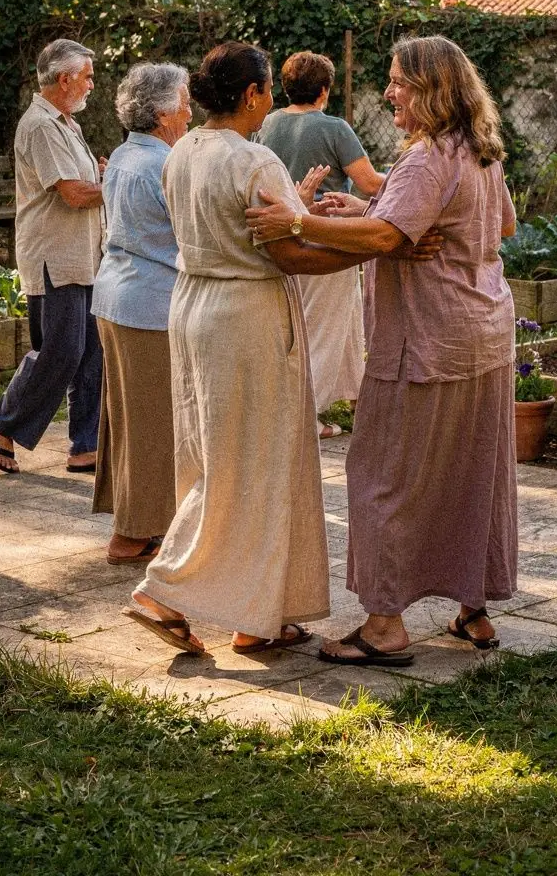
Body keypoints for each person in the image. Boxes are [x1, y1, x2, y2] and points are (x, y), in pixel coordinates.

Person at [123, 40, 418, 657]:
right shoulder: (254, 160)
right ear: (252, 93)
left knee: (214, 454)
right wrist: (373, 248)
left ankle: (258, 615)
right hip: (247, 315)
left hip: (193, 304)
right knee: (251, 461)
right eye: (264, 91)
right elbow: (289, 254)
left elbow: (221, 226)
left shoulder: (182, 152)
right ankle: (165, 591)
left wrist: (299, 211)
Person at [246, 34, 517, 666]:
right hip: (485, 334)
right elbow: (498, 223)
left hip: (426, 339)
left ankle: (385, 626)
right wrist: (373, 210)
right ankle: (473, 610)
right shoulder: (478, 148)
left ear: (432, 89)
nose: (389, 92)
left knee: (381, 477)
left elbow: (388, 236)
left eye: (399, 82)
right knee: (472, 474)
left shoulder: (424, 160)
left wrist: (297, 222)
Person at [0, 39, 105, 476]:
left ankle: (85, 445)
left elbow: (81, 182)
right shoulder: (41, 126)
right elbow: (73, 194)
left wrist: (101, 174)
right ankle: (1, 423)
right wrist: (118, 184)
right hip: (55, 256)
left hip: (82, 254)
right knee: (61, 349)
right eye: (87, 76)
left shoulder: (67, 123)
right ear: (64, 79)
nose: (91, 84)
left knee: (91, 351)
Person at [91, 62, 192, 564]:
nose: (191, 113)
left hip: (117, 297)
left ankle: (135, 523)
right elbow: (192, 234)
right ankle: (133, 534)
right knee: (152, 421)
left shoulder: (126, 155)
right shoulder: (162, 164)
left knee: (129, 417)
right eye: (185, 103)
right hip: (148, 303)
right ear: (163, 113)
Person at [258, 50, 382, 433]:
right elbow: (369, 184)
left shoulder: (266, 125)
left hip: (283, 236)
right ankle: (304, 418)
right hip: (328, 233)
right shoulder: (334, 128)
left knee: (330, 322)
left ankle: (357, 402)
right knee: (324, 328)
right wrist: (409, 177)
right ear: (324, 90)